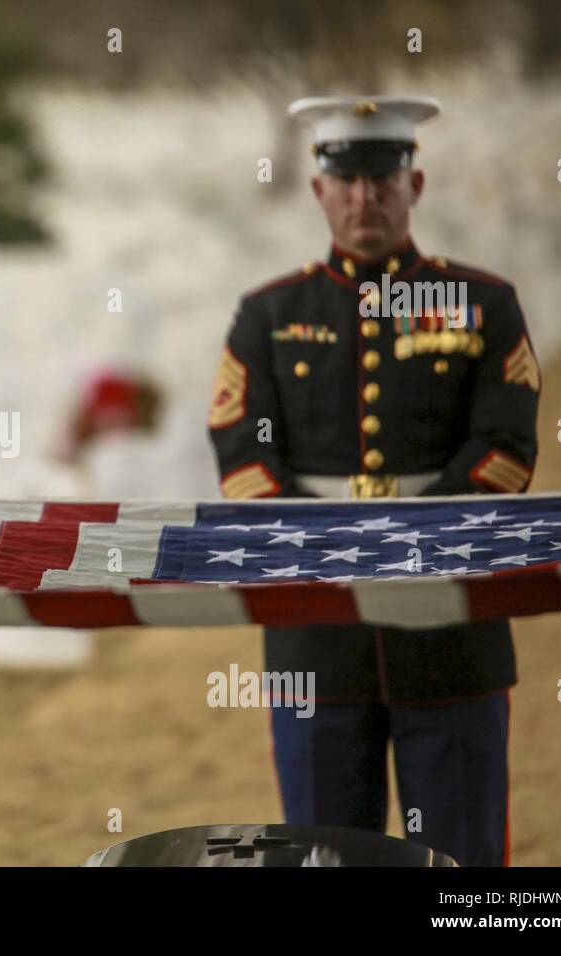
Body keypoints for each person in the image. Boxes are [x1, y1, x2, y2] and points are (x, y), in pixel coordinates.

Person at [206, 95, 541, 867]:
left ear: (415, 186)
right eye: (347, 181)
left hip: (450, 624)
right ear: (318, 190)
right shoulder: (268, 315)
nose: (365, 198)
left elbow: (505, 449)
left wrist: (410, 544)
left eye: (383, 179)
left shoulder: (483, 305)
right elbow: (243, 456)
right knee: (326, 854)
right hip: (316, 630)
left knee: (461, 863)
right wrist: (327, 547)